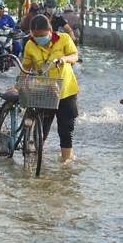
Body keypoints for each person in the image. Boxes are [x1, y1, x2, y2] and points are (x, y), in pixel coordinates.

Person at [22, 14, 80, 163]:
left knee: (66, 129)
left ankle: (66, 162)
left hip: (66, 90)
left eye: (42, 36)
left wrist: (64, 59)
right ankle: (35, 160)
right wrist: (20, 85)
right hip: (44, 91)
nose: (39, 39)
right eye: (35, 36)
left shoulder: (64, 39)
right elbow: (26, 67)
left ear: (50, 30)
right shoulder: (30, 45)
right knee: (42, 127)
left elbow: (74, 56)